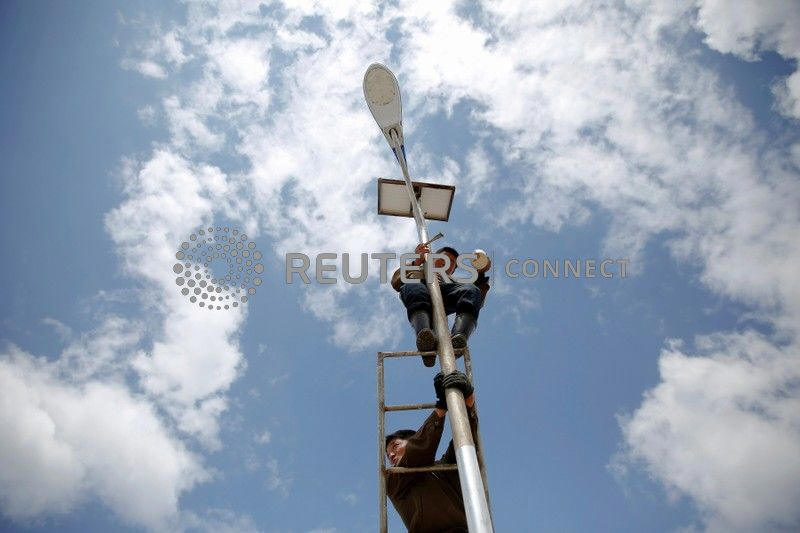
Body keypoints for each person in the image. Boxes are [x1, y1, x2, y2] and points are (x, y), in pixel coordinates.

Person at [385, 371, 479, 533]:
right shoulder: (393, 480)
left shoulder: (441, 469)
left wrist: (469, 404)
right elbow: (416, 454)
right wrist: (440, 409)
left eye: (395, 446)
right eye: (388, 455)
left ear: (412, 439)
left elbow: (464, 446)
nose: (391, 456)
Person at [399, 243, 490, 366]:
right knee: (413, 286)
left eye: (452, 262)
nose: (447, 262)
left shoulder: (454, 282)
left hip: (445, 294)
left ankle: (458, 339)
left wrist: (480, 273)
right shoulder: (418, 268)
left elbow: (476, 298)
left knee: (471, 290)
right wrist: (417, 261)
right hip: (420, 292)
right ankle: (425, 338)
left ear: (452, 270)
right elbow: (397, 280)